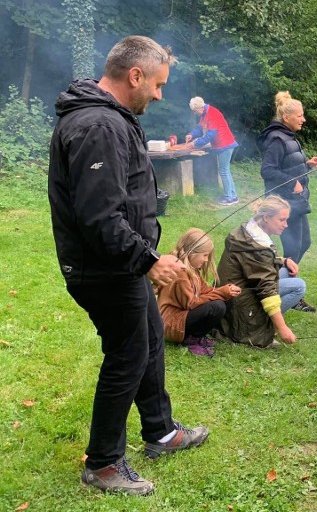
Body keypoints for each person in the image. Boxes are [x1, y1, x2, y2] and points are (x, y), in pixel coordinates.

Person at [48, 36, 209, 496]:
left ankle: (160, 431)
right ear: (134, 75)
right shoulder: (98, 124)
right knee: (128, 352)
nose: (160, 94)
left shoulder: (113, 118)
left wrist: (147, 255)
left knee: (150, 336)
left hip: (121, 263)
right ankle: (102, 464)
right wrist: (148, 260)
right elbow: (99, 219)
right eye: (157, 84)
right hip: (102, 267)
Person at [257, 91, 317, 312]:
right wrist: (291, 181)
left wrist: (307, 164)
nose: (303, 119)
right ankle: (285, 289)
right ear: (287, 117)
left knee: (304, 243)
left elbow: (289, 163)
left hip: (297, 202)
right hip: (283, 205)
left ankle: (283, 284)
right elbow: (268, 171)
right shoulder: (276, 139)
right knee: (293, 246)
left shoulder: (288, 136)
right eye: (300, 116)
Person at [218, 195, 303, 348]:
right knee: (298, 286)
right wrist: (282, 328)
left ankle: (271, 320)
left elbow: (258, 263)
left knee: (283, 272)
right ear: (266, 218)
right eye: (282, 220)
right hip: (240, 305)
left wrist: (283, 260)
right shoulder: (257, 247)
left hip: (231, 294)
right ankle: (268, 324)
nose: (286, 225)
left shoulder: (248, 231)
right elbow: (266, 289)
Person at [156, 228, 241, 356]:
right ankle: (191, 340)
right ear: (192, 253)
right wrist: (221, 293)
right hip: (171, 323)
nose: (206, 260)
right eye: (205, 255)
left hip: (182, 317)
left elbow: (204, 290)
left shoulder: (191, 268)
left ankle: (197, 336)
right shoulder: (181, 272)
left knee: (226, 298)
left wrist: (226, 290)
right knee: (217, 306)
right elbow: (190, 304)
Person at [182, 97, 240, 206]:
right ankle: (233, 196)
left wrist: (194, 144)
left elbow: (210, 135)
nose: (195, 113)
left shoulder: (212, 114)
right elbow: (200, 128)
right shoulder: (205, 114)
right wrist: (191, 134)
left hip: (225, 144)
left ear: (199, 107)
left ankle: (229, 198)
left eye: (195, 111)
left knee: (223, 171)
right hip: (223, 144)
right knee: (225, 170)